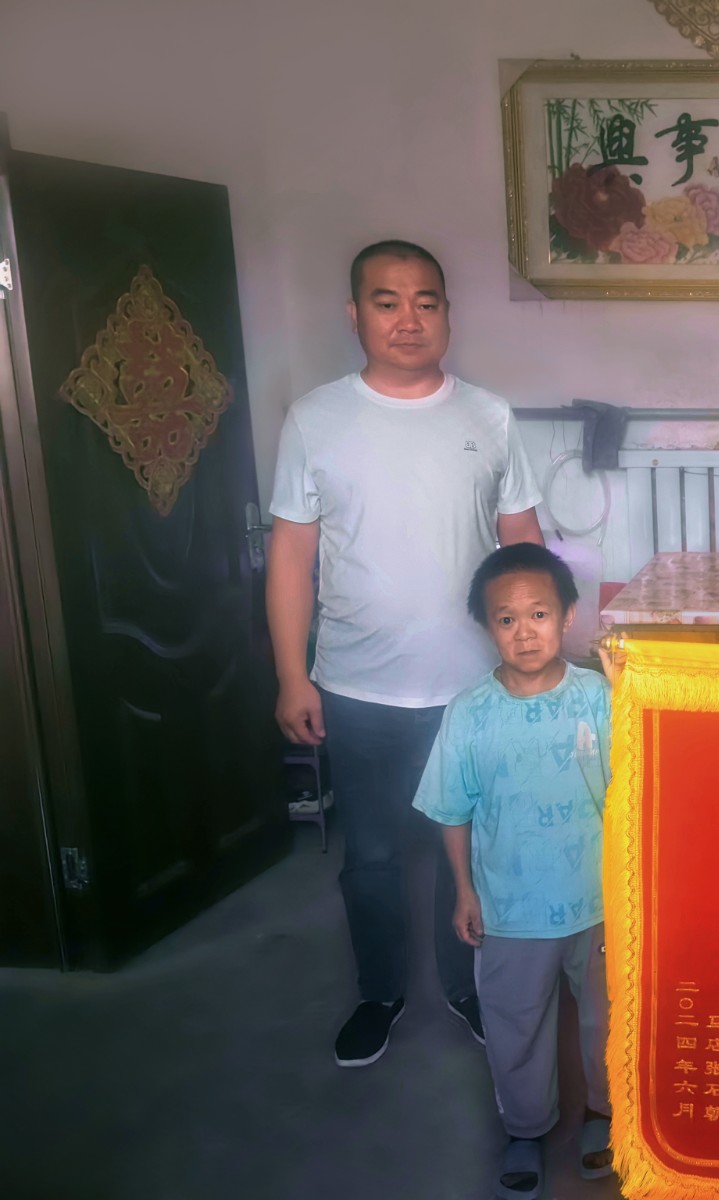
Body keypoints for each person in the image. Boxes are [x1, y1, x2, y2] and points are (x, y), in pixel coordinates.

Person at [266, 240, 544, 1068]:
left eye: (427, 301)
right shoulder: (315, 418)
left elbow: (522, 543)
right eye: (386, 302)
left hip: (475, 687)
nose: (408, 318)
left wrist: (536, 658)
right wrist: (292, 675)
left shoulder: (488, 417)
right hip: (359, 687)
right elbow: (291, 557)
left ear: (448, 315)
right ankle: (380, 992)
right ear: (355, 314)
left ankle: (467, 985)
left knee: (478, 850)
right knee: (375, 857)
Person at [414, 543, 613, 1199]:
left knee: (607, 1019)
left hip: (597, 900)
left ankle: (604, 1112)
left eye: (539, 614)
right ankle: (525, 1127)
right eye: (507, 619)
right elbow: (452, 809)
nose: (525, 633)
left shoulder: (599, 699)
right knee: (514, 1023)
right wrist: (464, 891)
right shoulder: (469, 713)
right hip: (510, 907)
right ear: (487, 626)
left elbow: (636, 787)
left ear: (568, 616)